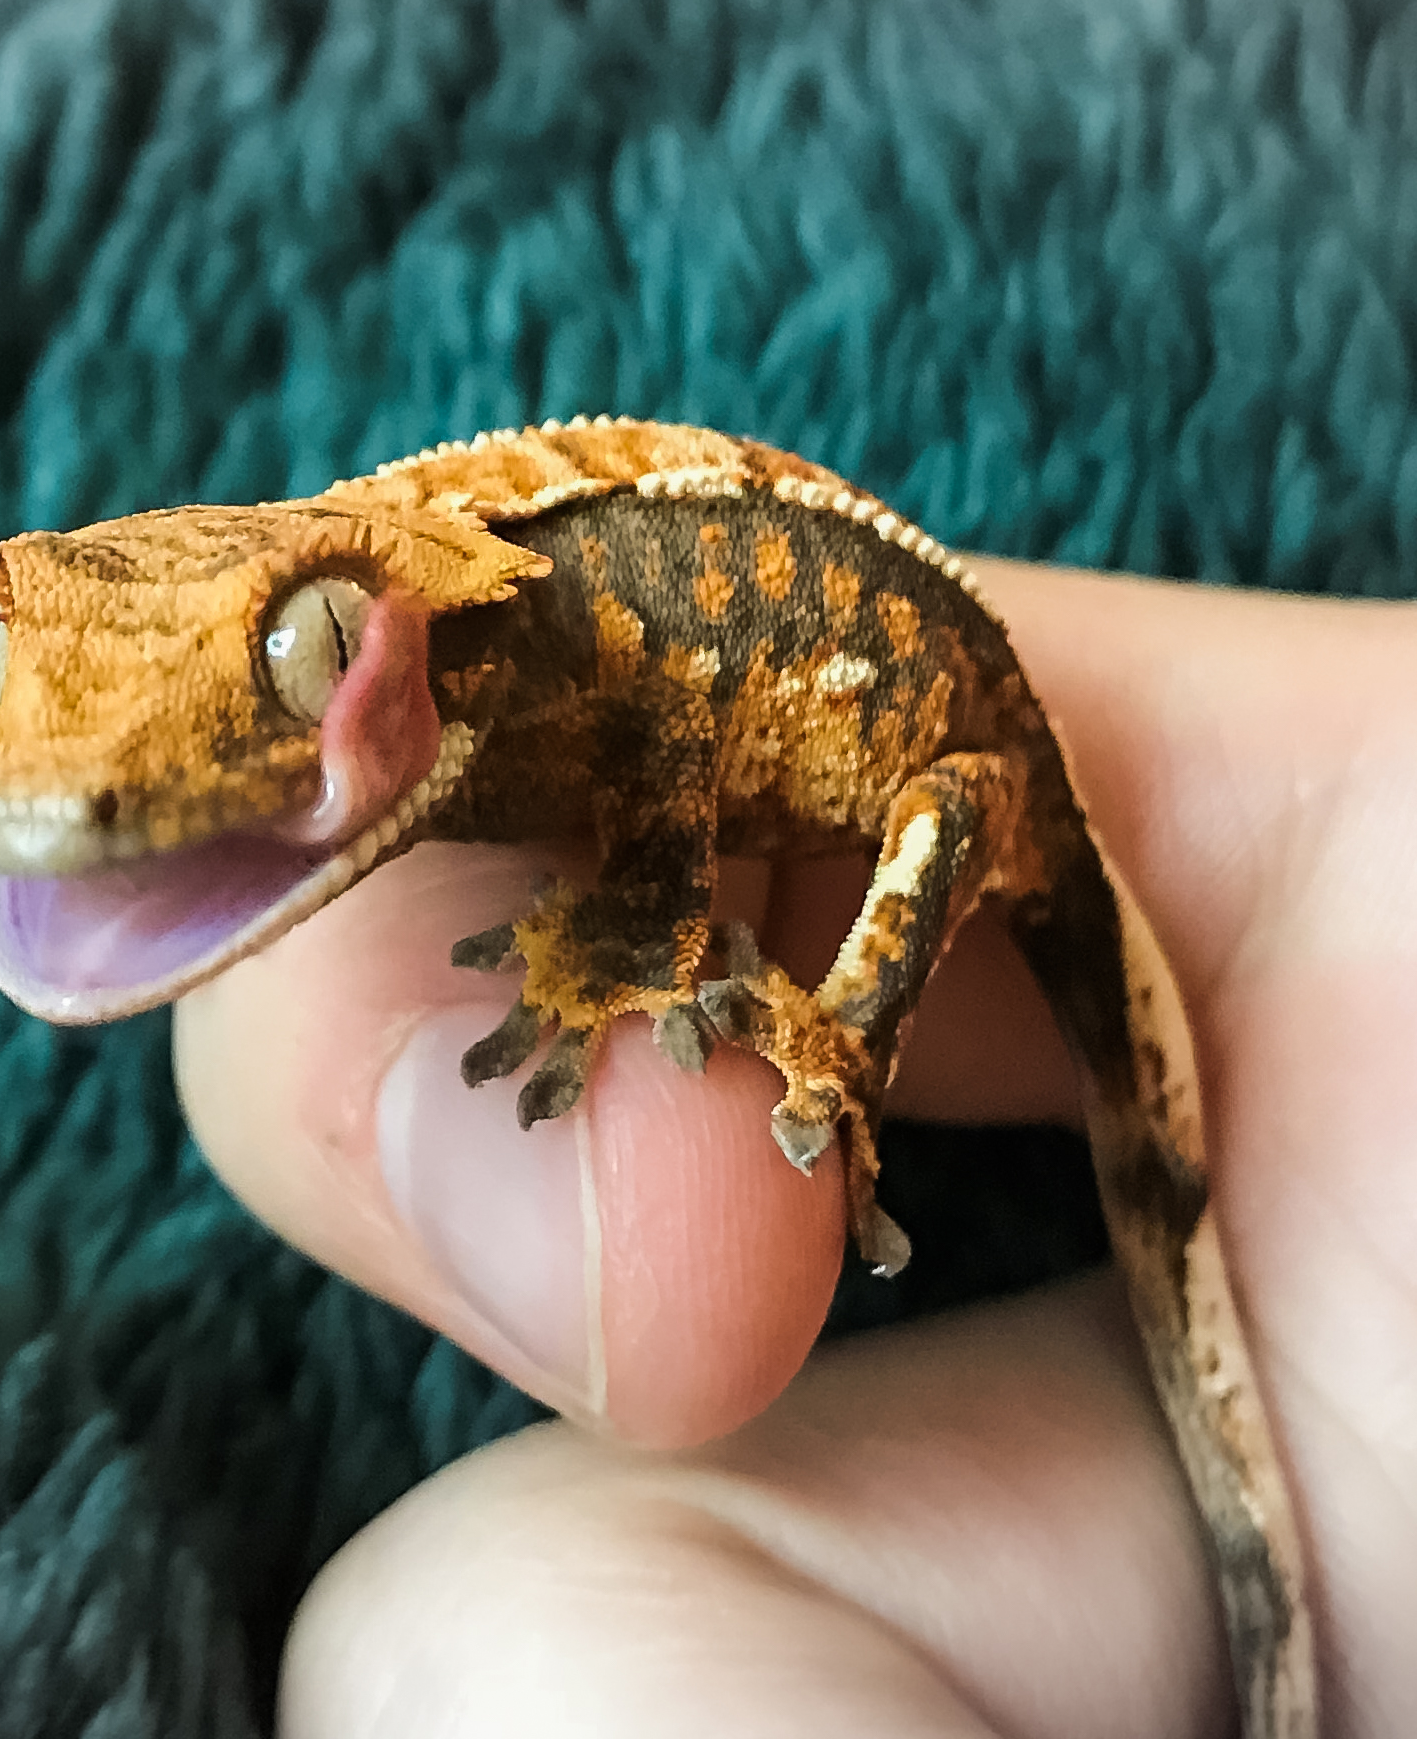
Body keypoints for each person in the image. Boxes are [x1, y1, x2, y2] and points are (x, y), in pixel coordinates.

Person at [175, 561, 1416, 1737]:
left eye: (320, 652)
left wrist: (788, 1016)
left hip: (956, 770)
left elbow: (661, 732)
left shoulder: (519, 667)